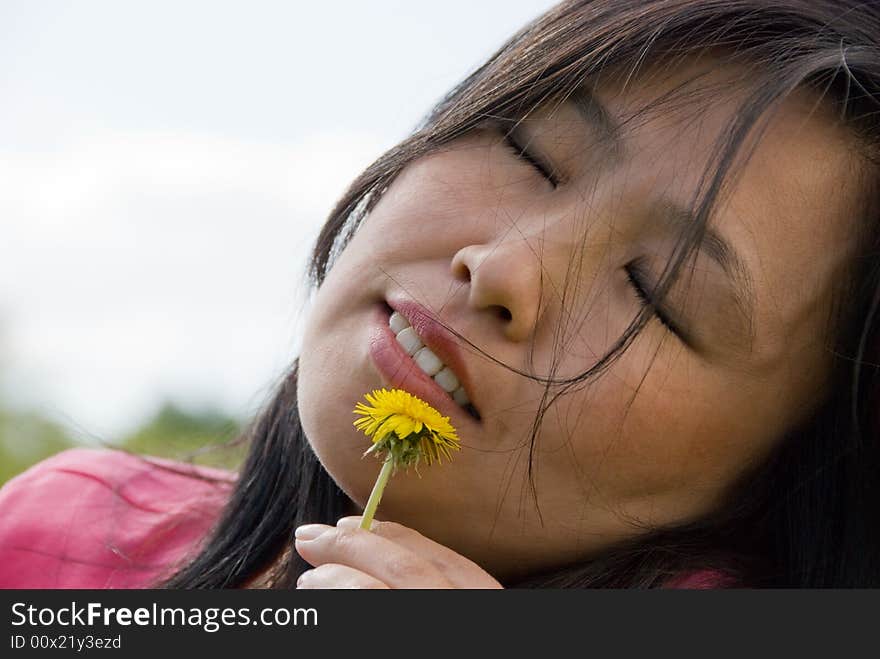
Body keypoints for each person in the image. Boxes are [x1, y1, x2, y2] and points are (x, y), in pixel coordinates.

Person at [2, 0, 879, 589]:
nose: (505, 267)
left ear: (786, 465)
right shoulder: (58, 534)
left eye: (657, 291)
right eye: (531, 153)